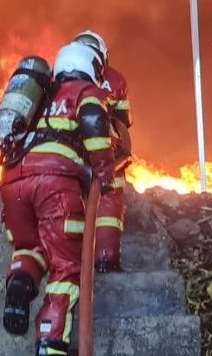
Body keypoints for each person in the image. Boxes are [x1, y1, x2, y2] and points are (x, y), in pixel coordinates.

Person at [0, 42, 118, 355]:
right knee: (66, 267)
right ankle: (50, 343)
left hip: (12, 185)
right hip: (54, 187)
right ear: (92, 65)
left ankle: (20, 284)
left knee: (29, 247)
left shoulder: (40, 98)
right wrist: (105, 173)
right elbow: (93, 125)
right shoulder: (83, 92)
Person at [73, 30, 131, 272]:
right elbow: (122, 122)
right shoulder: (115, 80)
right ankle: (106, 258)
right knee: (109, 196)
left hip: (69, 151)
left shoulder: (63, 78)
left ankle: (68, 261)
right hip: (104, 151)